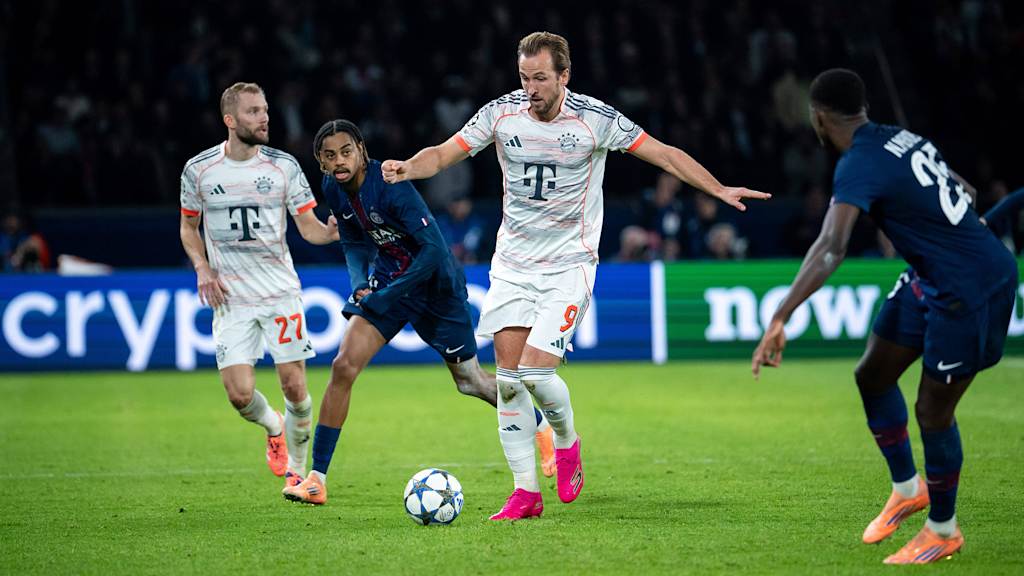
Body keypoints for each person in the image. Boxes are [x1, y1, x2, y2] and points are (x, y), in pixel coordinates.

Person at [383, 31, 769, 520]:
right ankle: (525, 494)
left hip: (569, 264)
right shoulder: (501, 113)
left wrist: (717, 187)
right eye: (524, 77)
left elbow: (665, 154)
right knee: (507, 382)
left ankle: (566, 439)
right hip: (514, 265)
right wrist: (407, 168)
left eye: (541, 78)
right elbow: (444, 152)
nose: (531, 88)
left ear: (564, 75)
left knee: (536, 373)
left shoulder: (595, 120)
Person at [751, 69, 1018, 564]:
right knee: (873, 374)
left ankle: (942, 530)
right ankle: (907, 487)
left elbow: (832, 247)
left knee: (933, 412)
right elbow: (968, 192)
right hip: (934, 276)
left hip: (970, 288)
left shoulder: (857, 164)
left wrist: (780, 316)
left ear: (818, 118)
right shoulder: (901, 137)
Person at [282, 119, 555, 505]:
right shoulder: (333, 187)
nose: (339, 161)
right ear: (321, 163)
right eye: (329, 156)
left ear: (361, 150)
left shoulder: (392, 188)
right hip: (391, 280)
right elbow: (355, 240)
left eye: (346, 151)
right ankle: (316, 479)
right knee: (343, 366)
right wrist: (360, 282)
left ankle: (540, 425)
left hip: (436, 288)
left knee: (470, 382)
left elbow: (434, 251)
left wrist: (388, 293)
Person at [179, 82, 340, 493]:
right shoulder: (199, 170)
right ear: (230, 121)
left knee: (294, 385)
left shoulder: (283, 167)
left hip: (279, 292)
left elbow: (309, 229)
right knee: (238, 394)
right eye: (253, 111)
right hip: (230, 297)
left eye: (265, 109)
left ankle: (299, 473)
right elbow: (188, 227)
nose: (264, 117)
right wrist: (201, 267)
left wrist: (331, 233)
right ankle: (273, 426)